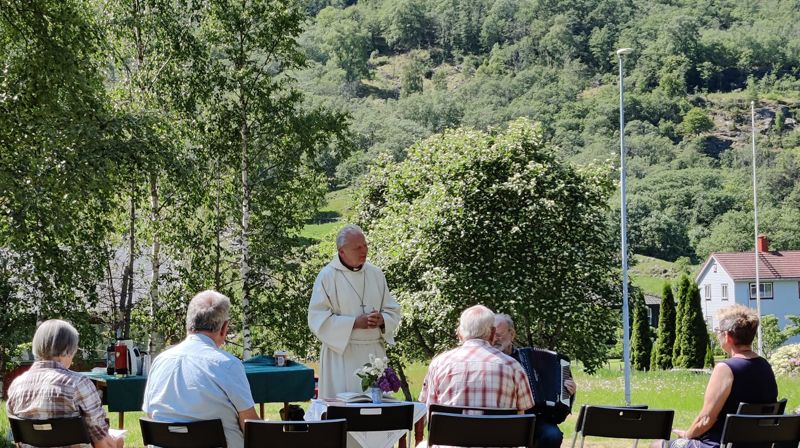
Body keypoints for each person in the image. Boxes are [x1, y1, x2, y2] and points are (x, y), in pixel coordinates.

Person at [143, 290, 259, 448]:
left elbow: (151, 416)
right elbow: (251, 426)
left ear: (188, 324)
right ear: (224, 328)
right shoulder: (228, 365)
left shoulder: (159, 362)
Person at [654, 304, 777, 448]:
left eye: (718, 331)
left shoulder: (725, 369)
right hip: (757, 444)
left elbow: (706, 419)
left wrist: (687, 434)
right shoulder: (765, 366)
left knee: (658, 445)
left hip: (718, 444)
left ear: (727, 336)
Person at [308, 224, 401, 398]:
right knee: (345, 411)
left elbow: (393, 310)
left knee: (374, 411)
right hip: (342, 354)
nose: (363, 250)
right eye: (357, 247)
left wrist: (382, 320)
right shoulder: (328, 276)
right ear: (342, 251)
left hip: (374, 354)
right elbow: (317, 319)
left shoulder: (376, 274)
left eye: (365, 245)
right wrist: (353, 323)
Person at [6, 319, 123, 448]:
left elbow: (16, 439)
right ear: (68, 350)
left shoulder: (16, 385)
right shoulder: (78, 383)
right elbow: (102, 443)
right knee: (117, 440)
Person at [419, 305, 534, 412]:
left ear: (460, 333)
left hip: (452, 434)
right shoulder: (513, 366)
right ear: (493, 333)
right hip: (498, 434)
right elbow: (521, 415)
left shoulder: (439, 364)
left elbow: (430, 410)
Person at [494, 314, 577, 448]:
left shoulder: (526, 356)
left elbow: (560, 412)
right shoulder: (486, 360)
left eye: (499, 335)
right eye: (491, 335)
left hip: (534, 418)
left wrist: (568, 392)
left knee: (552, 435)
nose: (494, 339)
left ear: (512, 334)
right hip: (500, 417)